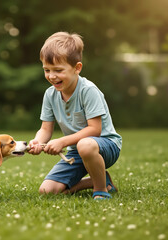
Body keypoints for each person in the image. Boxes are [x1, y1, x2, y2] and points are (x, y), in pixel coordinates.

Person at [28, 32, 122, 200]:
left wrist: (62, 141)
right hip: (77, 151)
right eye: (46, 70)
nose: (51, 76)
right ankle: (101, 180)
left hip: (106, 146)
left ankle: (100, 190)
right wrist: (38, 142)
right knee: (47, 191)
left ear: (77, 68)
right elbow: (45, 129)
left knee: (85, 145)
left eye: (58, 70)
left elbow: (95, 130)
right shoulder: (50, 95)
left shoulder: (88, 90)